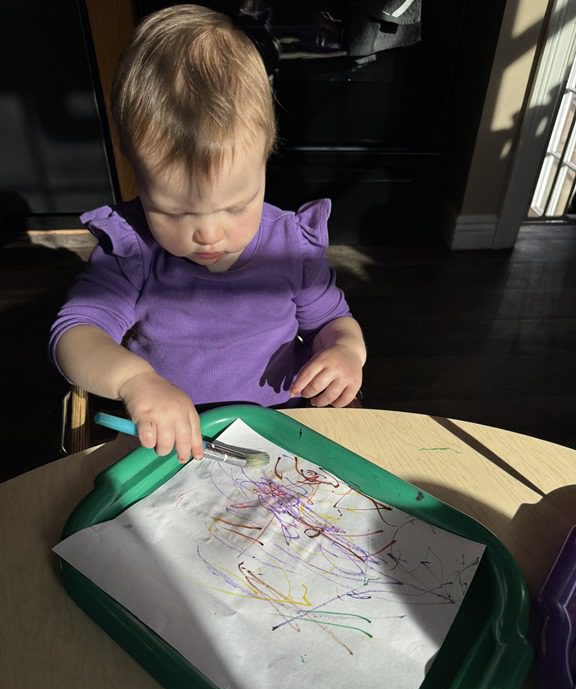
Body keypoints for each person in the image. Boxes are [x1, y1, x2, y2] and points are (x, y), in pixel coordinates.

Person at [49, 4, 366, 465]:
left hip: (282, 431)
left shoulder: (291, 246)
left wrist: (345, 350)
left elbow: (332, 320)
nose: (209, 234)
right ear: (137, 174)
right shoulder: (134, 250)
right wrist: (136, 381)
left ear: (266, 157)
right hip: (174, 443)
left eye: (237, 206)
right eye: (174, 212)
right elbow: (75, 335)